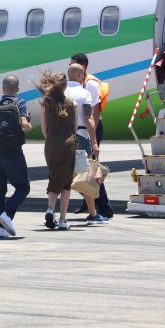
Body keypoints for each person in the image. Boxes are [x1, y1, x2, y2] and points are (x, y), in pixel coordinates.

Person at [0, 75, 32, 238]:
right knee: (23, 186)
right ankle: (7, 213)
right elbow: (25, 125)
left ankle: (1, 229)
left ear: (3, 88)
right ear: (17, 89)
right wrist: (28, 125)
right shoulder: (19, 102)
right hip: (12, 151)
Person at [70, 53, 114, 218]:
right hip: (84, 130)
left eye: (72, 65)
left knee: (90, 170)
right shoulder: (80, 83)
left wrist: (91, 137)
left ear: (82, 68)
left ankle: (104, 207)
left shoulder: (91, 84)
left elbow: (94, 113)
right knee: (83, 170)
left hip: (90, 130)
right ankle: (89, 203)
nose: (69, 70)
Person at [65, 64, 107, 225]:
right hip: (80, 138)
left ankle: (54, 212)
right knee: (87, 177)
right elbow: (89, 118)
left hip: (61, 138)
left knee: (61, 175)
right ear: (81, 76)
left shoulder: (60, 93)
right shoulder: (84, 93)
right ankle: (92, 214)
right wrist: (94, 142)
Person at [37, 71, 77, 230]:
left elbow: (44, 130)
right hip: (67, 144)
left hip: (51, 144)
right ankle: (62, 219)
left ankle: (49, 209)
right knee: (66, 183)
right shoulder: (72, 104)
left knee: (54, 176)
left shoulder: (46, 104)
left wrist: (51, 138)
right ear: (65, 86)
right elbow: (74, 128)